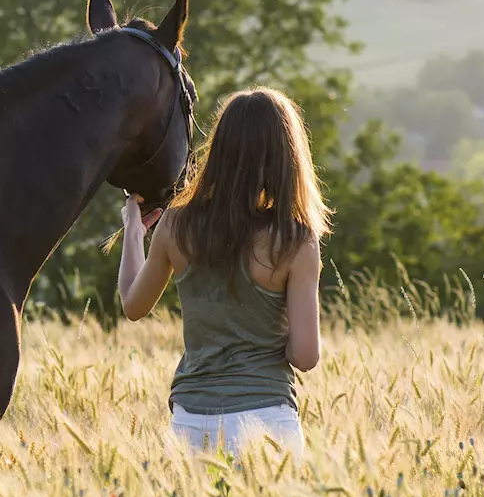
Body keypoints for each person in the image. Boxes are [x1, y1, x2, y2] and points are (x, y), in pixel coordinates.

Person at [115, 86, 330, 458]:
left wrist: (134, 232)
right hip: (267, 420)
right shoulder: (295, 241)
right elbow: (305, 356)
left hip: (191, 420)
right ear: (287, 158)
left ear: (220, 151)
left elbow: (133, 305)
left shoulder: (175, 224)